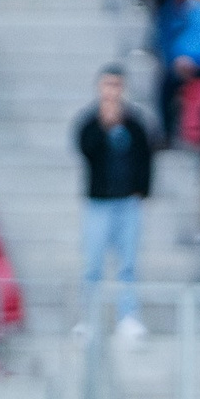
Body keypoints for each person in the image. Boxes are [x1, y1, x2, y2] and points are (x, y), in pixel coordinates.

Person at [77, 66, 154, 339]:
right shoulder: (89, 121)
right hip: (99, 202)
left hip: (127, 202)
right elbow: (85, 150)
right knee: (93, 264)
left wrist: (142, 191)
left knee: (128, 265)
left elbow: (147, 156)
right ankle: (89, 317)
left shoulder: (134, 122)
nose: (112, 91)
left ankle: (128, 316)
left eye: (117, 85)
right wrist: (103, 126)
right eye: (107, 85)